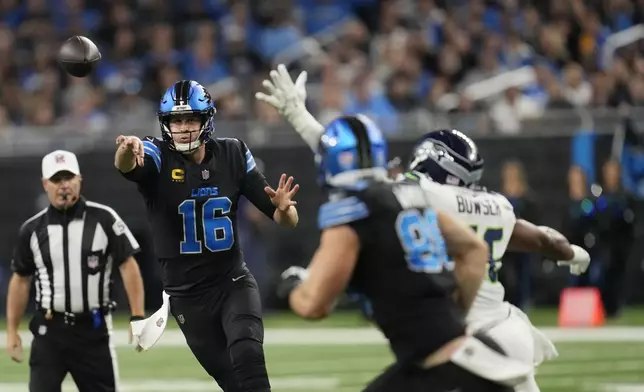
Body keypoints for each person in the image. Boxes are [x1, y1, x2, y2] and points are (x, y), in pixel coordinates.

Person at [255, 65, 591, 392]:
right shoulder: (495, 205)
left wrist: (300, 116)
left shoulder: (415, 196)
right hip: (502, 328)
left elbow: (356, 172)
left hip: (457, 343)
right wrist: (574, 253)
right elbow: (536, 240)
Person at [277, 114, 531, 391]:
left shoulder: (352, 212)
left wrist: (291, 286)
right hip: (468, 352)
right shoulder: (412, 197)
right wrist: (456, 313)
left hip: (444, 370)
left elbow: (315, 305)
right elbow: (474, 250)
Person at [114, 80, 299, 392]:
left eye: (191, 119)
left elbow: (287, 220)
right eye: (176, 120)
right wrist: (126, 150)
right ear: (166, 124)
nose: (184, 128)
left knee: (248, 354)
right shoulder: (158, 156)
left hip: (231, 282)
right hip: (186, 296)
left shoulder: (233, 153)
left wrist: (284, 209)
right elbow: (129, 164)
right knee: (231, 380)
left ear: (206, 121)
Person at [6, 149, 145, 392]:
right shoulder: (32, 230)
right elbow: (20, 279)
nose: (63, 186)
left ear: (79, 179)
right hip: (49, 331)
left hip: (92, 330)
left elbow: (128, 264)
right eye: (56, 180)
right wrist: (11, 330)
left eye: (68, 178)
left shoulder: (104, 219)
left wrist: (137, 315)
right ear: (45, 184)